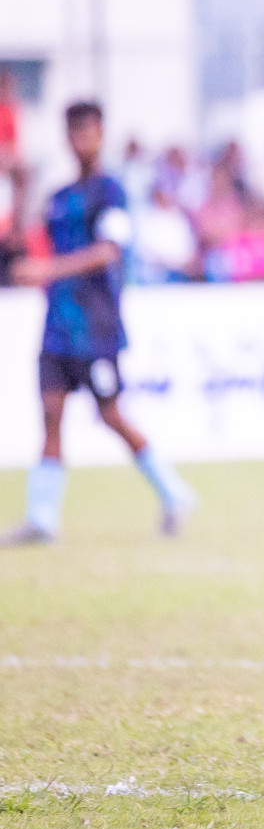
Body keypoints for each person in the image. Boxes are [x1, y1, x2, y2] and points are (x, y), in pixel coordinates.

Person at [4, 102, 195, 545]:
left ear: (101, 133)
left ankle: (174, 491)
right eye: (74, 131)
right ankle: (42, 518)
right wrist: (18, 189)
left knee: (110, 415)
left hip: (96, 328)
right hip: (57, 325)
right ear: (66, 136)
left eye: (89, 130)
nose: (81, 138)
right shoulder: (57, 197)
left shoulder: (111, 192)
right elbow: (20, 245)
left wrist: (47, 271)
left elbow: (110, 251)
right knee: (50, 415)